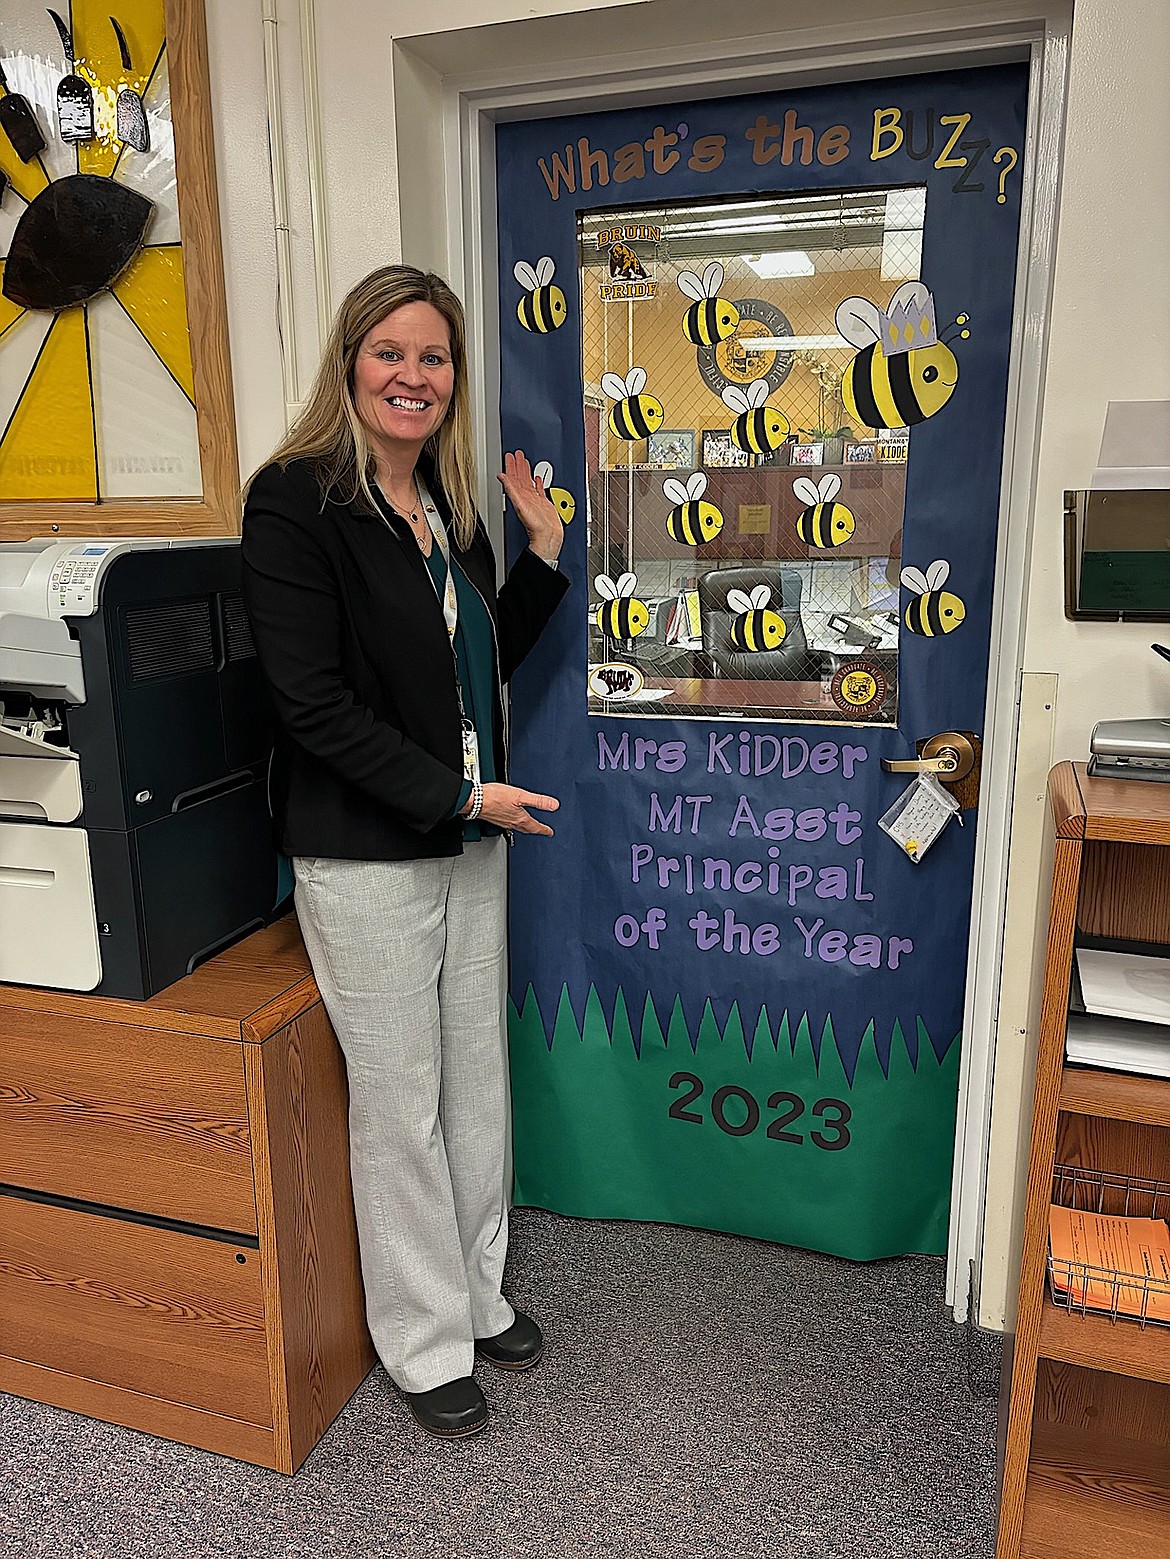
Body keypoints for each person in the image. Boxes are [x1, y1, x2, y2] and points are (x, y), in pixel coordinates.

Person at [240, 265, 569, 1439]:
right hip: (369, 851)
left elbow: (470, 666)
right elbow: (311, 705)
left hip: (468, 832)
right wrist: (460, 795)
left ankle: (478, 1296)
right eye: (391, 352)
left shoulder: (442, 505)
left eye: (434, 358)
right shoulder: (294, 501)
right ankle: (423, 1339)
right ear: (350, 362)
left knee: (472, 1082)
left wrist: (536, 554)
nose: (413, 376)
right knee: (400, 1103)